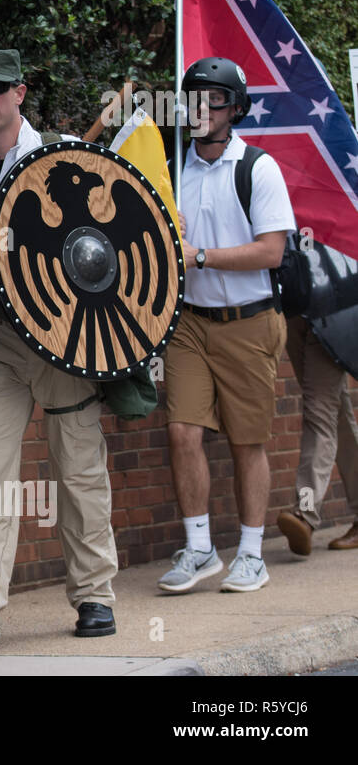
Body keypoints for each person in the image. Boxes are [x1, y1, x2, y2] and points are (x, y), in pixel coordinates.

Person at [0, 48, 119, 643]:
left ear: (20, 92)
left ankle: (94, 596)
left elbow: (107, 245)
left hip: (61, 329)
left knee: (77, 461)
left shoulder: (66, 156)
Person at [158, 57, 295, 594]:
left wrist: (201, 255)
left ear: (234, 109)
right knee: (181, 431)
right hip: (189, 322)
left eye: (213, 98)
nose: (199, 108)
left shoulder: (258, 168)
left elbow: (272, 250)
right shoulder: (171, 169)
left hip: (250, 321)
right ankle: (199, 549)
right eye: (192, 97)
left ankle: (252, 555)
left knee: (247, 442)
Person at [276, 316, 358, 553]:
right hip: (294, 313)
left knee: (319, 417)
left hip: (330, 316)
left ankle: (305, 512)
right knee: (337, 416)